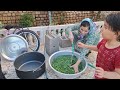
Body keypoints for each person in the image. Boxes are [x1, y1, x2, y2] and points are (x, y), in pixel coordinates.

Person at [77, 13, 120, 79]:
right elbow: (98, 48)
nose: (102, 29)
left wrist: (104, 74)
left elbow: (118, 75)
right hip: (99, 72)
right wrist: (85, 46)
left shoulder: (118, 53)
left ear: (117, 33)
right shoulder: (104, 41)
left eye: (105, 27)